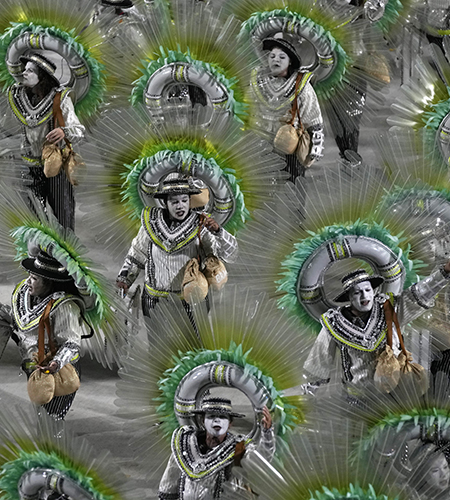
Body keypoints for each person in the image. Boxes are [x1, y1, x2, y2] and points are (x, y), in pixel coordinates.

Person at [302, 254, 450, 397]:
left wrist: (443, 273)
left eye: (367, 290)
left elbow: (418, 295)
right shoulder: (335, 323)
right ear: (349, 297)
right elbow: (320, 358)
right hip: (359, 396)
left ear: (373, 291)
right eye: (357, 292)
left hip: (395, 391)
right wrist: (309, 390)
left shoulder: (389, 308)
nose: (364, 296)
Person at [0, 247, 90, 420]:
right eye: (29, 276)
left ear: (49, 283)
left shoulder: (65, 307)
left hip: (59, 371)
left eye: (34, 278)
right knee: (42, 413)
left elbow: (72, 343)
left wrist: (56, 364)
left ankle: (53, 443)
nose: (28, 282)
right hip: (35, 367)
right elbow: (19, 321)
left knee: (53, 417)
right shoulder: (29, 296)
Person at [116, 173, 238, 317]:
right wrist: (125, 280)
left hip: (191, 302)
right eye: (174, 201)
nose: (180, 205)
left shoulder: (202, 225)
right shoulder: (151, 223)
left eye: (184, 200)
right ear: (165, 203)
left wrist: (218, 232)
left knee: (192, 340)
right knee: (157, 340)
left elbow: (229, 255)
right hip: (154, 302)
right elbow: (136, 255)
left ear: (190, 201)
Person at [8, 53, 85, 230]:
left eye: (30, 71)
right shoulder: (19, 97)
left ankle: (64, 254)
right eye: (24, 70)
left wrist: (63, 131)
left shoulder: (59, 98)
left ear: (42, 76)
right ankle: (38, 255)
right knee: (33, 219)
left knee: (62, 217)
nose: (24, 74)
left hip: (55, 168)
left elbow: (79, 130)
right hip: (29, 168)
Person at [158, 397, 274, 500]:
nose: (217, 420)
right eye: (211, 416)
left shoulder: (239, 447)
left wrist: (267, 434)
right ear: (203, 420)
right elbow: (169, 483)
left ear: (230, 423)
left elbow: (260, 459)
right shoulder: (186, 446)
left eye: (222, 417)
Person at [250, 36, 324, 182]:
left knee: (294, 185)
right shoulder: (258, 82)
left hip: (290, 145)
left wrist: (314, 150)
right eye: (272, 56)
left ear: (290, 61)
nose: (275, 60)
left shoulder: (301, 86)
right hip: (262, 144)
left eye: (281, 57)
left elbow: (314, 119)